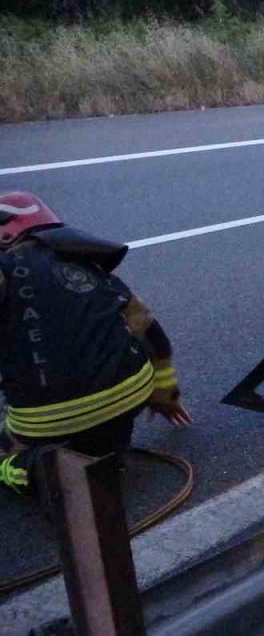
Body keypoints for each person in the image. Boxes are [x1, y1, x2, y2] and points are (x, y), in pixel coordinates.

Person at [0, 191, 191, 498]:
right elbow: (150, 330)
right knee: (102, 433)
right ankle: (106, 451)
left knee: (6, 445)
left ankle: (30, 469)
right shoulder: (85, 262)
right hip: (131, 396)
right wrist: (165, 392)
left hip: (47, 419)